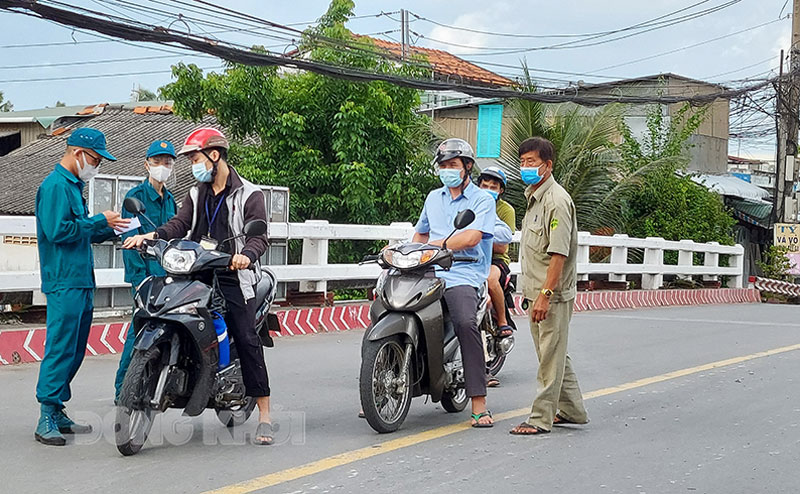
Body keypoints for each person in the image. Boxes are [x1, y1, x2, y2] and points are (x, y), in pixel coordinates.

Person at [122, 128, 275, 445]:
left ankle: (265, 415)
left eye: (195, 157)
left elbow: (259, 236)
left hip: (232, 273)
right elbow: (178, 225)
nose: (193, 163)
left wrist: (245, 256)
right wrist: (150, 237)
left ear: (214, 155)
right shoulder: (196, 194)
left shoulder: (249, 194)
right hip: (197, 267)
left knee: (246, 337)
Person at [34, 127, 130, 446]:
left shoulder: (74, 187)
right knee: (60, 346)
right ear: (78, 153)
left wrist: (114, 230)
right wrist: (99, 220)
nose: (97, 165)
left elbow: (81, 232)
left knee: (75, 349)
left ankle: (58, 408)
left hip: (81, 280)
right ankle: (46, 413)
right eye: (95, 159)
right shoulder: (55, 187)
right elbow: (58, 232)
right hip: (64, 281)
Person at [413, 138, 496, 428]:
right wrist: (412, 254)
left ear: (467, 167)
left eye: (452, 165)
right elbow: (420, 234)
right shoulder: (433, 198)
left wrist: (436, 245)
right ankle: (378, 390)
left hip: (463, 272)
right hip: (429, 271)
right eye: (443, 166)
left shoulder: (482, 199)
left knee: (464, 323)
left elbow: (472, 237)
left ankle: (478, 402)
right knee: (383, 309)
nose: (446, 170)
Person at [510, 136, 589, 436]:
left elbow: (558, 254)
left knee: (550, 356)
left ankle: (540, 418)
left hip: (551, 295)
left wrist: (545, 295)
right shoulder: (534, 198)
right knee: (553, 353)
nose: (525, 167)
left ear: (548, 165)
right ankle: (572, 410)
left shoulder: (556, 201)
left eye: (531, 162)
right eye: (523, 162)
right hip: (535, 292)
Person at [114, 140, 178, 402]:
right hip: (145, 277)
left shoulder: (171, 199)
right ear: (146, 164)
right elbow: (128, 241)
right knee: (140, 330)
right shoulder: (135, 199)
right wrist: (139, 280)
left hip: (170, 277)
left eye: (167, 162)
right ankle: (123, 389)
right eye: (157, 161)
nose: (162, 167)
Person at [477, 166, 516, 339]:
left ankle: (502, 321)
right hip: (470, 257)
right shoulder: (469, 203)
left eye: (493, 187)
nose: (488, 190)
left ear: (501, 190)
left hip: (495, 259)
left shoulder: (506, 210)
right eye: (484, 186)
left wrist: (472, 238)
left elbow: (502, 246)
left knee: (490, 278)